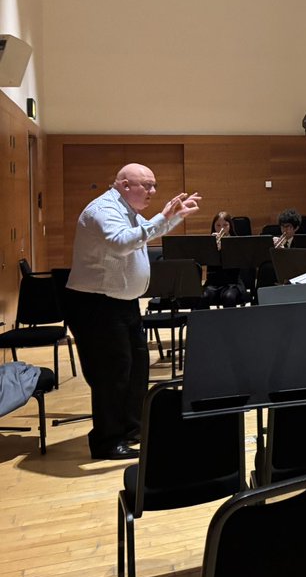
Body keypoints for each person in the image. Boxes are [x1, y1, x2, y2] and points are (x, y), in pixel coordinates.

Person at [65, 164, 200, 460]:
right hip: (96, 304)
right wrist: (163, 216)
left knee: (137, 368)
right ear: (125, 185)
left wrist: (174, 216)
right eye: (147, 185)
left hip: (122, 302)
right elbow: (122, 243)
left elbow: (143, 234)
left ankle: (131, 428)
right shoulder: (103, 210)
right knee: (112, 373)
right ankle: (107, 441)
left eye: (154, 185)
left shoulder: (127, 211)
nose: (153, 191)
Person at [201, 211, 247, 308]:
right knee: (203, 297)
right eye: (218, 225)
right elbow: (205, 263)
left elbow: (237, 266)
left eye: (225, 225)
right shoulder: (210, 242)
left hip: (232, 283)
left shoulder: (236, 242)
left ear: (230, 226)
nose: (221, 228)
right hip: (213, 283)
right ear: (213, 227)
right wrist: (212, 247)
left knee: (229, 297)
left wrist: (225, 249)